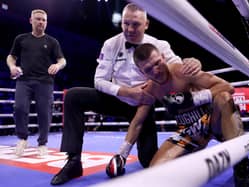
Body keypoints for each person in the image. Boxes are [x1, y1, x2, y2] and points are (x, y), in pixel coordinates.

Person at [50, 3, 201, 185]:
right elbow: (99, 80)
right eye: (125, 23)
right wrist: (127, 92)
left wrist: (191, 62)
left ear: (146, 24)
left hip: (143, 105)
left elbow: (177, 67)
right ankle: (73, 161)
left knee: (148, 161)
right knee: (74, 96)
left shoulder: (159, 45)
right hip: (115, 99)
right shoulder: (111, 44)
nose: (129, 29)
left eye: (135, 24)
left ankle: (186, 148)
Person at [106, 43, 249, 187]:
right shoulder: (150, 90)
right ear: (141, 72)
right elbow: (138, 122)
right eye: (148, 69)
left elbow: (227, 87)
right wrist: (122, 154)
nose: (155, 70)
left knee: (224, 98)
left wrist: (193, 99)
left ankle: (242, 168)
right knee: (154, 170)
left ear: (163, 57)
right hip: (189, 132)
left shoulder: (182, 71)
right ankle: (190, 160)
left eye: (157, 63)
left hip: (212, 121)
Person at [6, 9, 66, 157]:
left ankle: (42, 143)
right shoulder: (21, 39)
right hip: (24, 80)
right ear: (31, 21)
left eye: (44, 20)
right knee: (19, 108)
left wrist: (57, 66)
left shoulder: (52, 41)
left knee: (45, 113)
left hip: (44, 82)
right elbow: (11, 57)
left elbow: (62, 60)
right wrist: (12, 67)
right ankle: (22, 139)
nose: (41, 22)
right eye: (38, 19)